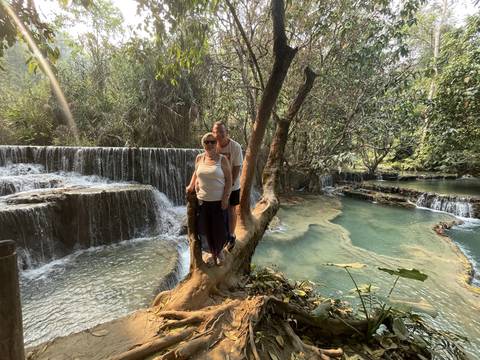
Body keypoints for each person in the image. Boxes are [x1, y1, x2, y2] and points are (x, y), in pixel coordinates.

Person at [186, 132, 232, 266]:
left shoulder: (222, 159)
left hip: (218, 201)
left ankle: (219, 252)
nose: (210, 144)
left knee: (219, 229)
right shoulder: (199, 158)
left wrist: (225, 198)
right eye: (207, 142)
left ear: (216, 143)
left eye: (212, 142)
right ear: (203, 144)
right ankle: (211, 254)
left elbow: (229, 180)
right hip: (202, 201)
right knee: (205, 229)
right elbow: (196, 173)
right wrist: (191, 185)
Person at [212, 121, 243, 250]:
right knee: (219, 210)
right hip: (217, 185)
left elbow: (237, 167)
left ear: (226, 132)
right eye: (215, 131)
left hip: (233, 185)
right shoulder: (212, 145)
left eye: (221, 131)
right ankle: (220, 236)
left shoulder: (235, 147)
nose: (218, 134)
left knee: (231, 209)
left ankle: (231, 235)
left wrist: (230, 186)